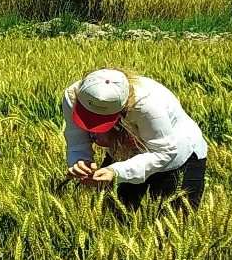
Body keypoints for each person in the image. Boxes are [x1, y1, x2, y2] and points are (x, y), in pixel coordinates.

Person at [62, 68, 208, 212]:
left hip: (176, 158)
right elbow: (77, 140)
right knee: (114, 220)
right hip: (123, 154)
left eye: (101, 120)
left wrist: (117, 172)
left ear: (123, 109)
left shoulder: (147, 104)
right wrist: (80, 161)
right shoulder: (72, 97)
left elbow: (164, 152)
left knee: (169, 226)